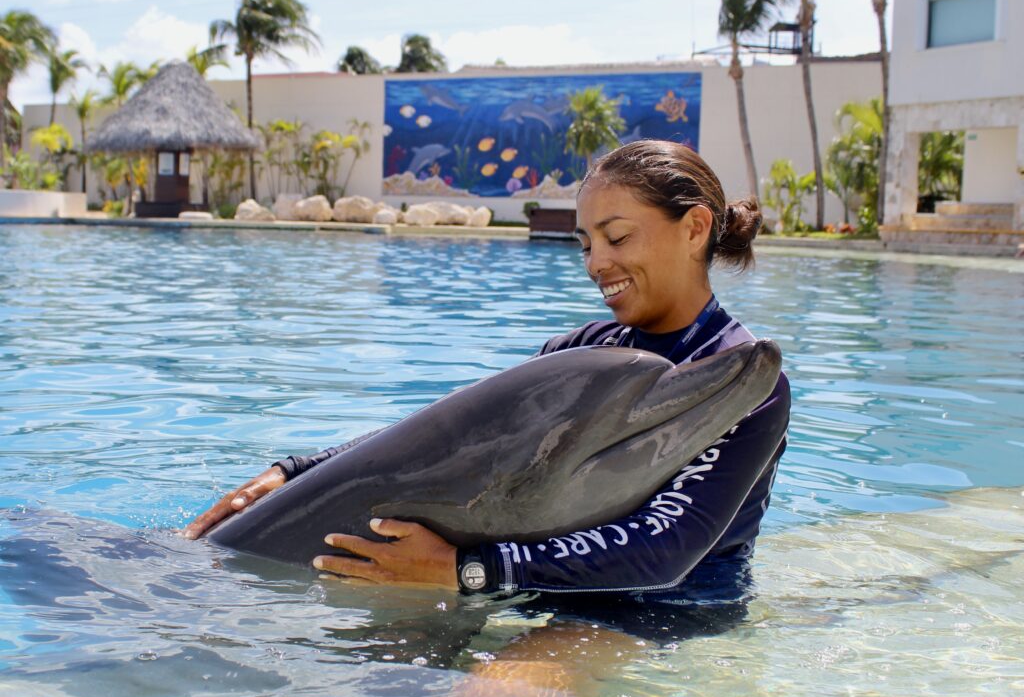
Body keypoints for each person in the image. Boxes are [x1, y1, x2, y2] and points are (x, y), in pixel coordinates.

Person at [184, 140, 790, 604]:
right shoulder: (582, 350)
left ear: (695, 228)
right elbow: (448, 441)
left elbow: (666, 549)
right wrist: (294, 471)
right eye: (585, 244)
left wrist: (464, 571)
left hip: (668, 609)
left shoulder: (744, 388)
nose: (597, 263)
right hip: (529, 595)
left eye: (617, 237)